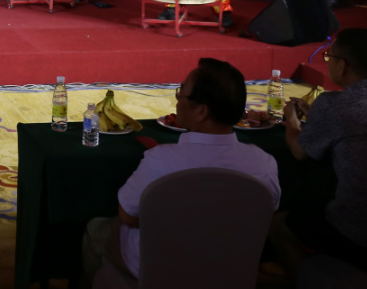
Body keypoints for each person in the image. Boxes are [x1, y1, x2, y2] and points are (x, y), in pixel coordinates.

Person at [81, 58, 280, 286]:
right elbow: (264, 214)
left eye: (181, 93)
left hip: (162, 266)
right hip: (229, 265)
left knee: (95, 230)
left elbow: (128, 216)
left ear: (201, 111)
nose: (176, 101)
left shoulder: (161, 161)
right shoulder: (264, 164)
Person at [272, 28, 367, 277]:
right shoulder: (332, 108)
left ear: (342, 65)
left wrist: (292, 120)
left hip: (355, 230)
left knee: (278, 225)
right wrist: (316, 117)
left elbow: (299, 151)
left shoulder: (334, 104)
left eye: (329, 57)